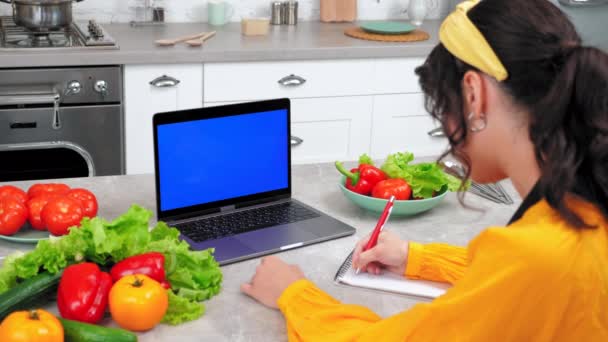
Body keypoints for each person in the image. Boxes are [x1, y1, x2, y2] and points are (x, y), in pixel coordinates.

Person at [240, 0, 608, 340]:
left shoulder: (540, 255)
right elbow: (517, 284)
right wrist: (418, 259)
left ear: (474, 94)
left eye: (442, 108)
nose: (447, 131)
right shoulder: (584, 201)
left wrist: (294, 294)